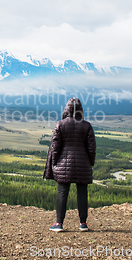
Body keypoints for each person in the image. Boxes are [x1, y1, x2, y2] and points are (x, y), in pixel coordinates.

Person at [43, 98, 96, 232]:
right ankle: (83, 224)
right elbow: (92, 148)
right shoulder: (87, 125)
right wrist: (90, 163)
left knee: (62, 193)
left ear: (66, 109)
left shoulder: (60, 124)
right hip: (83, 163)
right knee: (82, 193)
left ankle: (59, 224)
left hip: (63, 164)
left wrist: (54, 163)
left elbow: (55, 147)